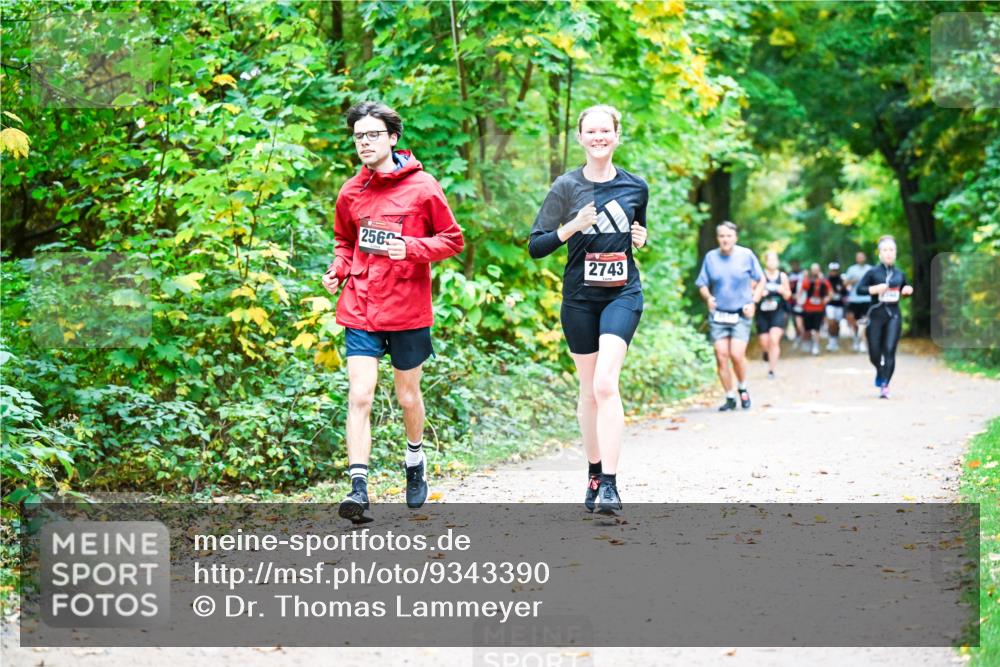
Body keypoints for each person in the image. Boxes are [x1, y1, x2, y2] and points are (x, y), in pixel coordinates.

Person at [322, 101, 465, 523]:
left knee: (407, 396)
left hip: (407, 309)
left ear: (393, 138)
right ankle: (358, 487)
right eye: (359, 136)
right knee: (360, 394)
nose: (364, 142)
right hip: (361, 305)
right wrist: (338, 270)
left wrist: (413, 248)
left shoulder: (424, 188)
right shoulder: (351, 191)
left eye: (372, 135)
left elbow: (453, 240)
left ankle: (415, 459)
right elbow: (344, 242)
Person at [529, 104, 648, 517]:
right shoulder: (565, 187)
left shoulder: (636, 187)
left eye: (606, 130)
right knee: (588, 390)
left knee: (604, 384)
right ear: (580, 138)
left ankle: (611, 485)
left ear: (617, 135)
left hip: (622, 294)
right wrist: (571, 226)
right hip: (579, 298)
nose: (599, 137)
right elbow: (536, 245)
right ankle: (594, 471)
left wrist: (640, 239)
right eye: (591, 131)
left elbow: (637, 233)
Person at [695, 221, 763, 411]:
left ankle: (742, 387)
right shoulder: (711, 258)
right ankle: (730, 396)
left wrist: (753, 302)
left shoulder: (746, 255)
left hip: (740, 314)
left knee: (736, 354)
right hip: (719, 315)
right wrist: (708, 297)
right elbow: (702, 283)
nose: (725, 239)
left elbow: (761, 279)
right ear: (718, 238)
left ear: (735, 237)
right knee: (721, 354)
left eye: (729, 236)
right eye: (722, 236)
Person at [855, 236, 913, 398]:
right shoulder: (872, 272)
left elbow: (905, 288)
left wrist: (907, 291)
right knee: (874, 353)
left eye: (891, 250)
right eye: (885, 250)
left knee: (889, 350)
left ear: (895, 253)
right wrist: (874, 289)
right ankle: (880, 371)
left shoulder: (900, 274)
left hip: (894, 316)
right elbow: (859, 290)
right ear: (880, 253)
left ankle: (885, 385)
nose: (888, 253)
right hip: (875, 316)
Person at [754, 251, 791, 379]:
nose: (772, 262)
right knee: (765, 342)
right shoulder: (759, 276)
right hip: (762, 313)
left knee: (774, 340)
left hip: (778, 312)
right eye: (770, 260)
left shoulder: (782, 277)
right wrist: (760, 293)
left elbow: (788, 295)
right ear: (766, 261)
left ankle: (772, 370)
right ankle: (766, 352)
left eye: (775, 260)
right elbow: (751, 292)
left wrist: (782, 291)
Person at [797, 263, 831, 356]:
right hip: (807, 308)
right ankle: (808, 343)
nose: (815, 271)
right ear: (811, 271)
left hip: (819, 308)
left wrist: (827, 299)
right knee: (807, 328)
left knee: (816, 328)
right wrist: (799, 301)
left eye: (816, 269)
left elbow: (830, 292)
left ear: (819, 270)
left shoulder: (824, 281)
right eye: (813, 269)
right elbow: (801, 292)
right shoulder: (807, 281)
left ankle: (816, 346)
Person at [844, 251, 873, 352]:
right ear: (856, 259)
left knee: (865, 321)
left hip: (867, 299)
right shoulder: (851, 269)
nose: (861, 258)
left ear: (865, 258)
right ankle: (856, 337)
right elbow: (845, 283)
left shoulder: (870, 269)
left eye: (862, 257)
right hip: (854, 299)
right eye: (859, 257)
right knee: (853, 320)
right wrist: (853, 281)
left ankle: (863, 342)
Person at [824, 262, 847, 351]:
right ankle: (831, 341)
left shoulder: (841, 280)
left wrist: (842, 289)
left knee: (837, 324)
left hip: (839, 305)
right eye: (832, 270)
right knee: (831, 322)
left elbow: (844, 293)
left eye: (835, 270)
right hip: (830, 305)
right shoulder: (826, 281)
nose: (834, 272)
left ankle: (835, 341)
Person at [786, 259, 806, 348]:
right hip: (792, 301)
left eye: (795, 264)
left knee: (803, 321)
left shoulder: (803, 274)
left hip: (803, 301)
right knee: (795, 320)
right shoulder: (789, 275)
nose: (794, 266)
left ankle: (805, 338)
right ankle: (798, 336)